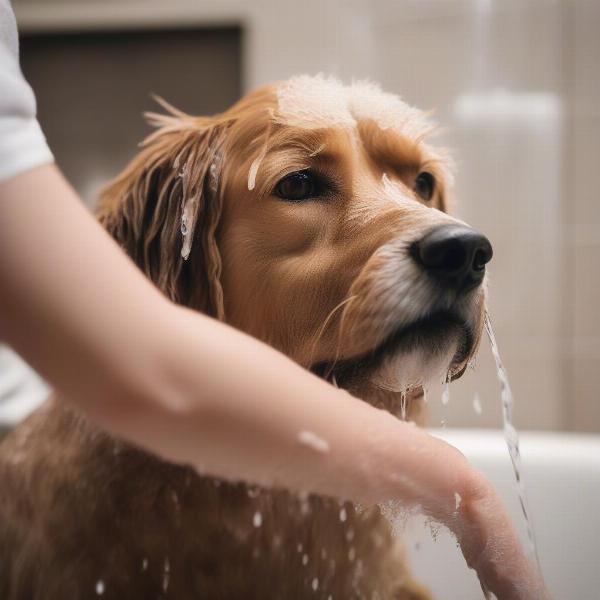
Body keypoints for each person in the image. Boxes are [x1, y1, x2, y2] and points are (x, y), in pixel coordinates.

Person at [0, 2, 549, 598]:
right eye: (302, 184)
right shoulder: (70, 526)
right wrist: (458, 490)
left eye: (422, 185)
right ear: (177, 267)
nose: (444, 236)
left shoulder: (352, 509)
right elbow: (145, 367)